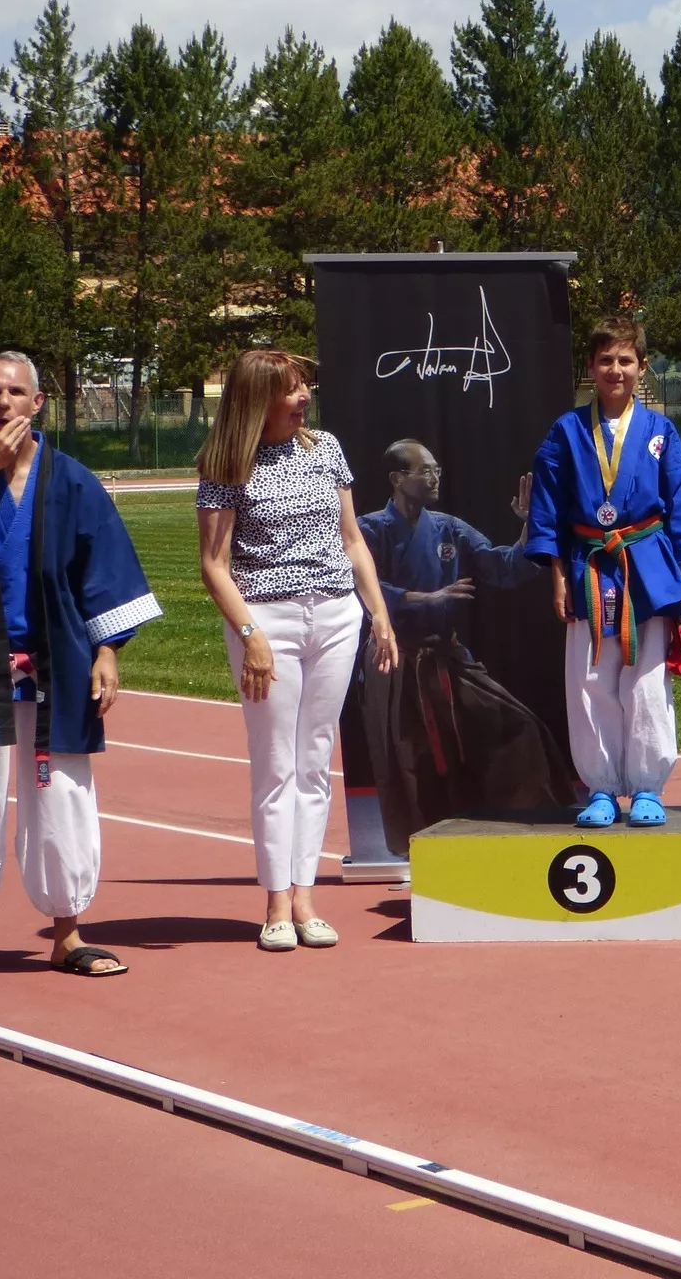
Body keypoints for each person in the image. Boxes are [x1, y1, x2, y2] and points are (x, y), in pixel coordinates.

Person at [0, 351, 161, 996]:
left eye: (16, 392)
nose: (3, 403)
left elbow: (105, 569)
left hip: (57, 665)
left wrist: (108, 651)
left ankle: (68, 934)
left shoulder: (72, 481)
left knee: (61, 795)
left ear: (37, 403)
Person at [196, 351, 397, 951]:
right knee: (275, 765)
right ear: (256, 399)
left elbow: (352, 540)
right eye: (290, 389)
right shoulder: (225, 464)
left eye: (304, 385)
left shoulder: (325, 449)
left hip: (335, 617)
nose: (304, 396)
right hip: (267, 622)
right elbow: (214, 565)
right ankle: (276, 903)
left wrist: (379, 613)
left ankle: (306, 897)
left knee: (314, 760)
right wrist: (251, 637)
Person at [526, 316, 681, 827]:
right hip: (588, 564)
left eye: (626, 360)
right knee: (590, 679)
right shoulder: (567, 432)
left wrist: (680, 579)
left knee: (647, 679)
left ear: (643, 367)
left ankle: (649, 786)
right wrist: (558, 578)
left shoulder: (660, 432)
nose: (616, 369)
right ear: (590, 367)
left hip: (647, 566)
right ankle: (602, 787)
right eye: (606, 360)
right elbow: (548, 508)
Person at [354, 440, 573, 846]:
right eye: (425, 470)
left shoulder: (450, 528)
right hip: (395, 657)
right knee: (409, 761)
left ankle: (526, 826)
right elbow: (360, 584)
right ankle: (420, 850)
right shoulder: (369, 530)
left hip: (446, 654)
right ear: (397, 479)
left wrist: (530, 526)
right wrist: (422, 598)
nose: (435, 477)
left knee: (518, 726)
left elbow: (502, 566)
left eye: (437, 469)